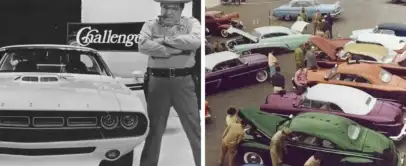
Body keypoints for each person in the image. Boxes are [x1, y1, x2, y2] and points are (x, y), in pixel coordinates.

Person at [138, 0, 201, 166]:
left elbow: (195, 42)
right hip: (157, 82)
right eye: (165, 6)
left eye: (174, 8)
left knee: (195, 129)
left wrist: (163, 39)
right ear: (161, 7)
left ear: (181, 8)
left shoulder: (191, 23)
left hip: (184, 82)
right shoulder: (151, 24)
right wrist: (175, 50)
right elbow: (142, 45)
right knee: (154, 130)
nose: (169, 11)